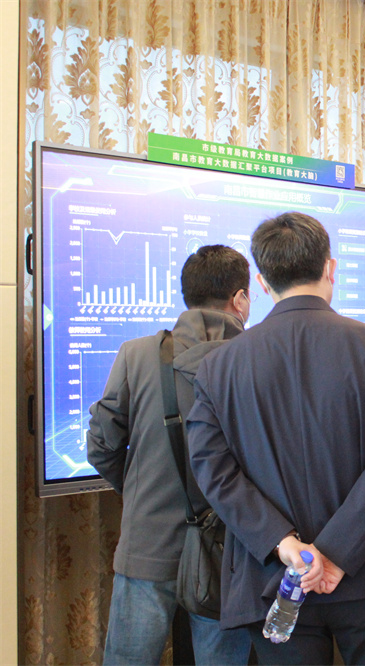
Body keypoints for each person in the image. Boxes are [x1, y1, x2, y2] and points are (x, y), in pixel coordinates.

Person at [185, 213, 365, 664]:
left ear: (261, 282)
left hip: (272, 576)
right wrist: (335, 552)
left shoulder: (218, 366)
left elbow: (212, 470)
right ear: (331, 268)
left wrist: (283, 543)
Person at [87, 245, 253, 665]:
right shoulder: (261, 359)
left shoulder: (137, 354)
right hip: (228, 555)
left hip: (147, 544)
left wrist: (139, 489)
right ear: (239, 299)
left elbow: (101, 446)